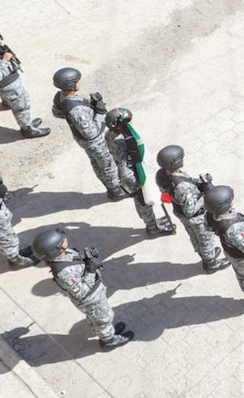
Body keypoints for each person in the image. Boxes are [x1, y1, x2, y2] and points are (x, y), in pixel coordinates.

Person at [30, 228, 134, 349]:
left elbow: (76, 266)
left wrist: (86, 259)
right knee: (103, 319)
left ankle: (106, 330)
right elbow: (81, 292)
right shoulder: (65, 273)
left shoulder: (63, 254)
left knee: (99, 318)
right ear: (56, 250)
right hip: (91, 300)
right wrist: (90, 270)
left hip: (95, 294)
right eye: (61, 241)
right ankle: (109, 340)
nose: (65, 239)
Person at [153, 145, 229, 273]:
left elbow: (170, 188)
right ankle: (211, 263)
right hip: (196, 218)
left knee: (194, 236)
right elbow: (190, 210)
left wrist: (199, 183)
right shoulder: (183, 187)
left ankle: (205, 255)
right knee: (205, 239)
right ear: (175, 162)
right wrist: (205, 193)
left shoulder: (162, 174)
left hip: (179, 211)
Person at [52, 67, 127, 196]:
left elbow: (57, 113)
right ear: (71, 85)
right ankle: (116, 191)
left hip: (83, 140)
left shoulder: (60, 97)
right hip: (95, 142)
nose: (79, 83)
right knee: (107, 166)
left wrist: (92, 106)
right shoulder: (77, 110)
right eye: (77, 81)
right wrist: (98, 113)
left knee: (97, 163)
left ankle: (110, 187)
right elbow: (90, 132)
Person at [105, 108, 176, 238]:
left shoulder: (110, 135)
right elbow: (126, 168)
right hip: (133, 177)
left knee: (143, 203)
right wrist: (140, 183)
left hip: (131, 172)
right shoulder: (121, 140)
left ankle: (152, 223)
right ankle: (153, 228)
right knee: (144, 204)